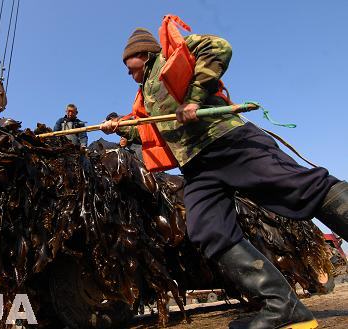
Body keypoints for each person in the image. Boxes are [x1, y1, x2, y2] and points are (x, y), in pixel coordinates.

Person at [101, 27, 348, 329]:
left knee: (302, 189)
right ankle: (283, 307)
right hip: (196, 165)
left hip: (226, 141)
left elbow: (219, 47)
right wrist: (120, 128)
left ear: (140, 54)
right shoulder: (145, 95)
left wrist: (193, 98)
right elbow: (154, 129)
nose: (128, 74)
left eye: (128, 66)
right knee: (208, 230)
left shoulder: (170, 55)